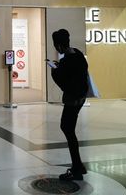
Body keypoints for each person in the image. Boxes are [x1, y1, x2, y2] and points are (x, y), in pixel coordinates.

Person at [49, 29, 88, 181]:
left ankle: (77, 168)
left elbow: (63, 81)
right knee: (68, 128)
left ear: (58, 46)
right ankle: (78, 165)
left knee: (67, 128)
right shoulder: (77, 54)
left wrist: (54, 71)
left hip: (73, 98)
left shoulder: (66, 61)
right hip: (81, 97)